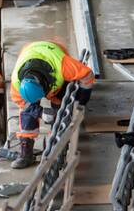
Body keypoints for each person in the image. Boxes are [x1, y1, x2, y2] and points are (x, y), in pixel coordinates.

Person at [9, 40, 94, 168]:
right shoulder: (16, 81)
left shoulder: (63, 65)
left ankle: (56, 147)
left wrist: (81, 100)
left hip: (54, 51)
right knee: (26, 113)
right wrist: (40, 112)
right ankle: (26, 153)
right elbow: (23, 104)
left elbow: (88, 75)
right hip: (29, 50)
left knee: (59, 109)